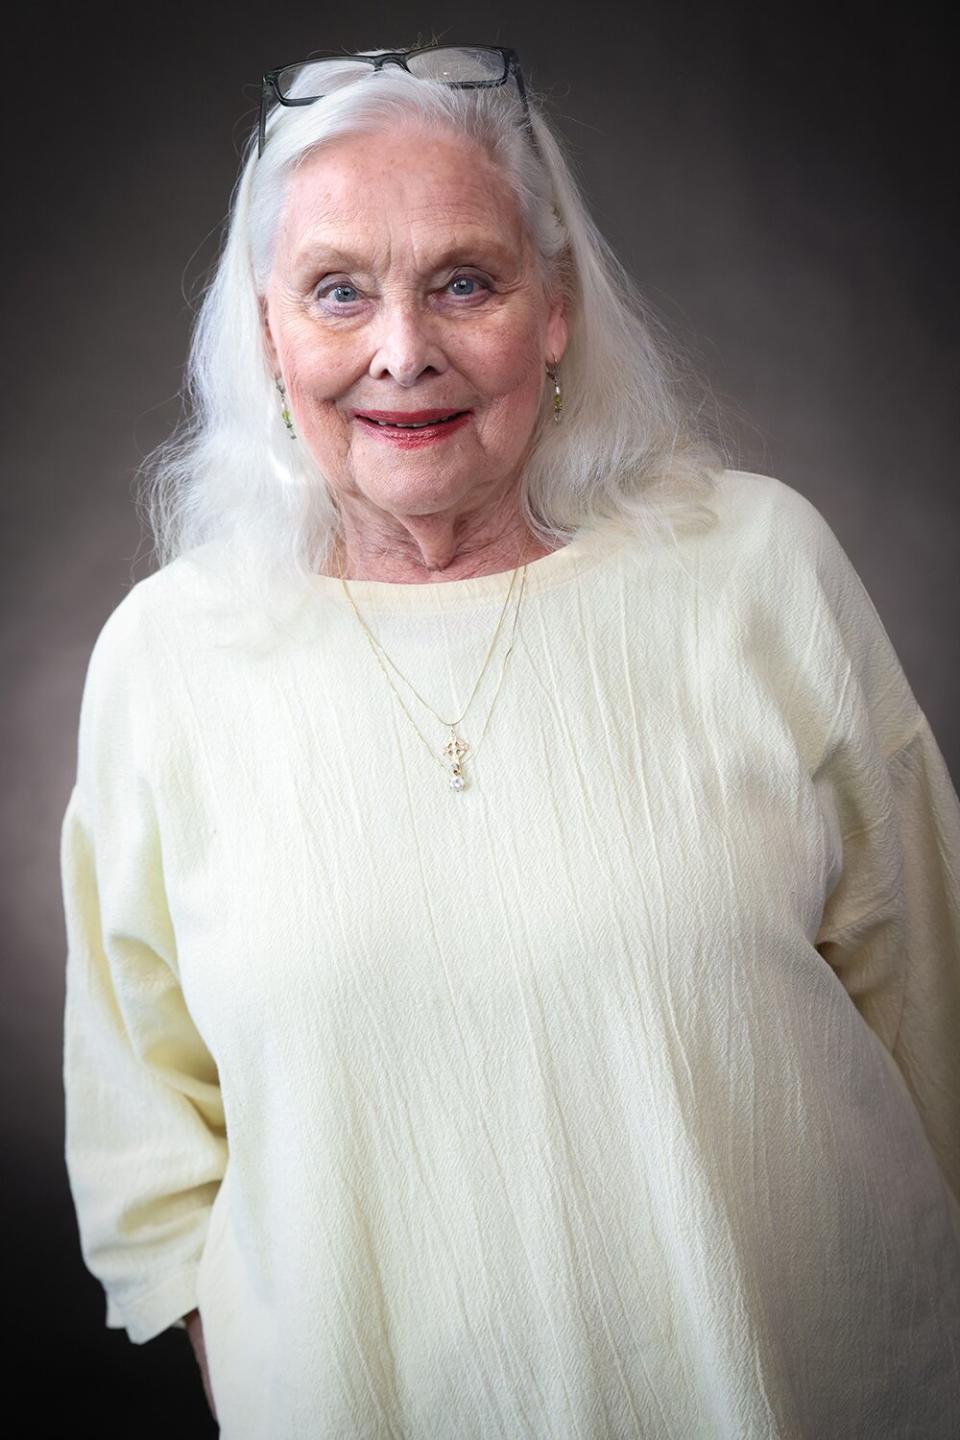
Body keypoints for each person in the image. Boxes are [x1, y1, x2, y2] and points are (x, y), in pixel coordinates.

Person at [60, 44, 960, 1440]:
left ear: (556, 310)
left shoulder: (759, 570)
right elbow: (142, 1129)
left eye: (464, 282)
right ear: (267, 335)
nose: (400, 349)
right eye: (338, 290)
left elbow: (935, 1006)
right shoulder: (168, 662)